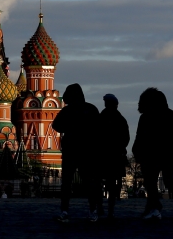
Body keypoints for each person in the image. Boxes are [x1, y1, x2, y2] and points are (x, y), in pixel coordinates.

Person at [51, 83, 102, 223]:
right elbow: (99, 129)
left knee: (67, 183)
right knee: (89, 181)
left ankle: (65, 211)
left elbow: (56, 125)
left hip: (71, 150)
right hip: (87, 151)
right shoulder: (91, 109)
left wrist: (69, 128)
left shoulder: (67, 110)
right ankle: (93, 210)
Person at [132, 87, 173, 220]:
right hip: (162, 153)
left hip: (155, 154)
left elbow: (140, 136)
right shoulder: (169, 114)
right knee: (159, 181)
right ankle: (160, 206)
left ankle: (157, 206)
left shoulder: (147, 117)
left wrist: (137, 149)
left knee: (160, 181)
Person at [99, 93, 130, 220]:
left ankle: (105, 208)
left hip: (107, 155)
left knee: (106, 182)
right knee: (111, 182)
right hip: (113, 155)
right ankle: (109, 209)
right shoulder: (120, 119)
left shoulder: (102, 117)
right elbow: (126, 138)